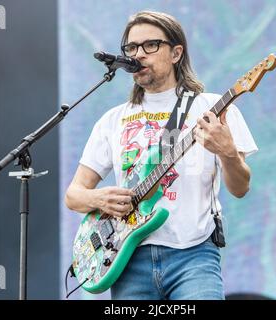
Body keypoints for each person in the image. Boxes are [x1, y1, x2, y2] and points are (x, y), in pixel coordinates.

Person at [65, 10, 258, 300]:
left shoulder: (211, 107)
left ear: (176, 52)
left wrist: (228, 153)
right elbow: (74, 195)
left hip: (193, 256)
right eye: (131, 48)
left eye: (150, 45)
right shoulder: (113, 119)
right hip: (128, 259)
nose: (138, 54)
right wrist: (98, 198)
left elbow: (241, 188)